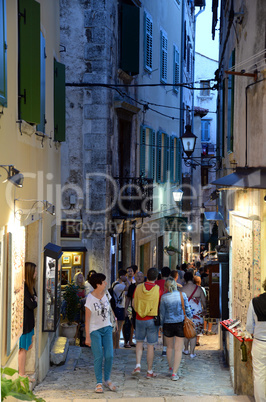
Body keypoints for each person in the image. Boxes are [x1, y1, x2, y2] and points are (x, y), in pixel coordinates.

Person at [85, 273, 117, 393]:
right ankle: (99, 382)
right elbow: (87, 319)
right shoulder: (90, 299)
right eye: (104, 282)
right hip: (95, 330)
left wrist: (114, 319)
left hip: (107, 327)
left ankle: (107, 379)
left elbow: (110, 308)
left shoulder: (106, 294)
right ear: (98, 284)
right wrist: (87, 336)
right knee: (98, 357)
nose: (106, 283)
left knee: (109, 355)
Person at [131, 267, 162, 378]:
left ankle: (138, 365)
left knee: (139, 342)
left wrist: (139, 311)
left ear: (146, 276)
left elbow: (133, 303)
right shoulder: (157, 289)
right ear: (156, 277)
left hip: (139, 318)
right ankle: (149, 371)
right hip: (152, 319)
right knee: (150, 345)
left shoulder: (139, 287)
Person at [160, 277, 192, 381]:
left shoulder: (164, 297)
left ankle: (170, 367)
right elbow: (187, 309)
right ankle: (175, 373)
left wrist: (161, 325)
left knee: (169, 348)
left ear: (166, 286)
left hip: (168, 324)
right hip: (180, 323)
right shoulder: (182, 295)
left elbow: (162, 313)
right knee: (178, 349)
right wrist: (190, 318)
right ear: (175, 284)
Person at [246, 278, 266, 402]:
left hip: (260, 343)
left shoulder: (255, 302)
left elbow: (249, 326)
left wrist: (254, 332)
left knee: (259, 376)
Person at [18, 262, 38, 379]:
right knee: (23, 348)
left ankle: (22, 373)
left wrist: (34, 300)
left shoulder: (30, 286)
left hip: (29, 322)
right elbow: (31, 304)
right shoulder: (24, 287)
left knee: (27, 346)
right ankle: (21, 374)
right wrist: (34, 300)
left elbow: (34, 299)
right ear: (30, 272)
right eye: (34, 271)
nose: (36, 273)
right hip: (25, 323)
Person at [182, 271, 206, 358]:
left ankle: (186, 349)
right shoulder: (198, 289)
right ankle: (192, 352)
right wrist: (205, 309)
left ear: (184, 279)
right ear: (192, 278)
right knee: (194, 333)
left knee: (186, 331)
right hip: (197, 313)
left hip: (185, 314)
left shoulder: (182, 289)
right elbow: (204, 301)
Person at [124, 271, 145, 348]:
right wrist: (125, 309)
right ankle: (137, 342)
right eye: (138, 276)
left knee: (142, 328)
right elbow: (128, 299)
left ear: (143, 278)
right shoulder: (132, 287)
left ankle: (140, 343)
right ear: (135, 277)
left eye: (141, 276)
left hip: (144, 311)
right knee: (135, 326)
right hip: (134, 310)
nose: (139, 278)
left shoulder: (144, 287)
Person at [156, 266, 171, 356]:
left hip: (155, 308)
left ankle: (152, 347)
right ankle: (164, 349)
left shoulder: (156, 283)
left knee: (154, 329)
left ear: (161, 274)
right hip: (166, 309)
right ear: (169, 275)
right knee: (165, 330)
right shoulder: (170, 284)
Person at [113, 269, 128, 349]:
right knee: (118, 328)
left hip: (117, 308)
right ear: (122, 276)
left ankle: (115, 345)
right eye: (125, 276)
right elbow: (129, 288)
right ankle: (116, 345)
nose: (126, 277)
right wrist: (127, 281)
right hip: (120, 308)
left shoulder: (115, 284)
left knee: (116, 328)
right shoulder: (119, 286)